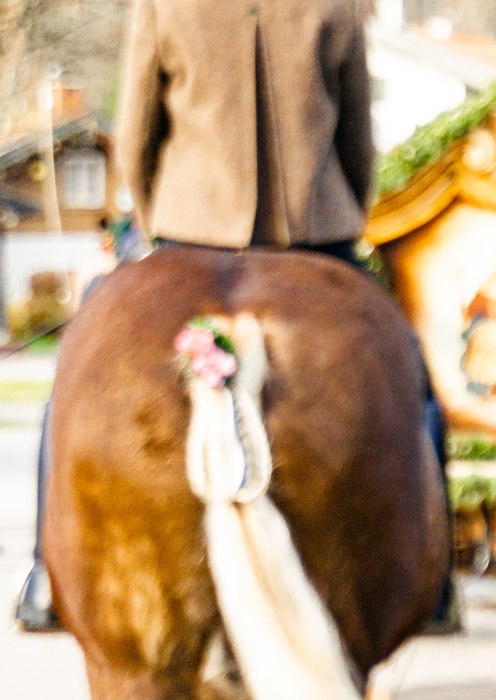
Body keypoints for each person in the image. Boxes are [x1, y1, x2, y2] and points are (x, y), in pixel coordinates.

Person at [14, 0, 455, 631]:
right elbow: (357, 141)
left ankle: (43, 575)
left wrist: (154, 216)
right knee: (415, 388)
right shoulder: (336, 6)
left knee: (73, 383)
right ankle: (433, 578)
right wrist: (343, 219)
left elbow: (138, 132)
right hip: (313, 231)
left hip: (188, 226)